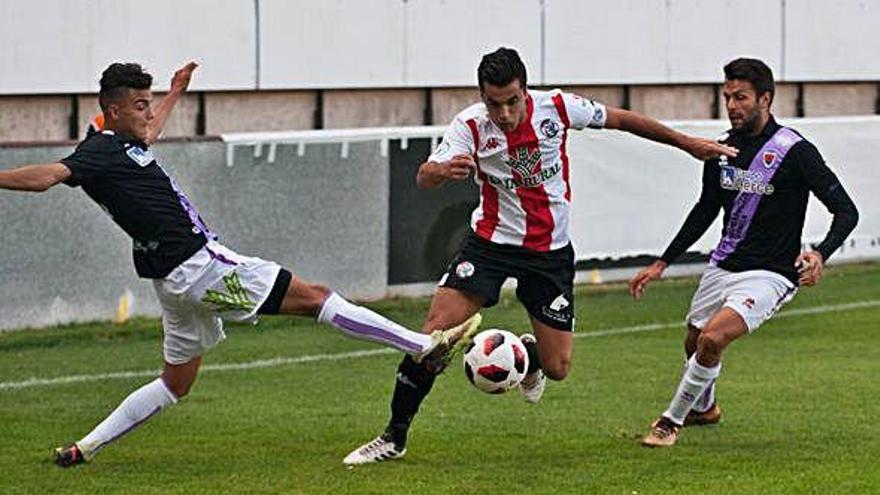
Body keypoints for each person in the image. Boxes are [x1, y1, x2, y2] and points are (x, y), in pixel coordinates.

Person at [0, 62, 481, 467]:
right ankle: (422, 345)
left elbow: (150, 131)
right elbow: (49, 176)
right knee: (316, 297)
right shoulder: (97, 153)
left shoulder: (124, 142)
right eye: (140, 104)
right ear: (113, 110)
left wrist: (175, 93)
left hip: (172, 281)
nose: (149, 113)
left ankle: (83, 449)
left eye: (150, 103)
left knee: (175, 383)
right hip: (201, 268)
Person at [343, 46, 738, 465]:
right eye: (495, 104)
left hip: (549, 254)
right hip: (489, 246)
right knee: (434, 338)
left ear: (525, 91)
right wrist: (441, 171)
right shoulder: (470, 126)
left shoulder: (557, 107)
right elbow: (425, 177)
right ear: (482, 96)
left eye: (513, 101)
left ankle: (528, 355)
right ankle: (393, 436)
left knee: (558, 367)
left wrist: (686, 143)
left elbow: (622, 119)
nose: (506, 114)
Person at [630, 58, 859, 447]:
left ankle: (670, 422)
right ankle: (706, 408)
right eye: (727, 97)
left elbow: (846, 211)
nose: (733, 105)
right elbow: (705, 209)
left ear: (765, 99)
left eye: (741, 97)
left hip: (771, 273)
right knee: (693, 342)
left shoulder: (795, 151)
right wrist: (661, 262)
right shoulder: (722, 149)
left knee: (712, 340)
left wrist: (820, 253)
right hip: (723, 264)